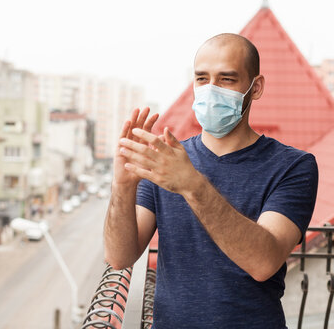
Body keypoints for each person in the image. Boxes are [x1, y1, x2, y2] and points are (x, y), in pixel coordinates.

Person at [103, 33, 318, 328]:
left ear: (255, 88)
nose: (211, 90)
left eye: (226, 79)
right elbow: (119, 256)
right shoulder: (167, 159)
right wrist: (123, 187)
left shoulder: (293, 167)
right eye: (202, 79)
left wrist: (192, 185)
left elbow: (263, 262)